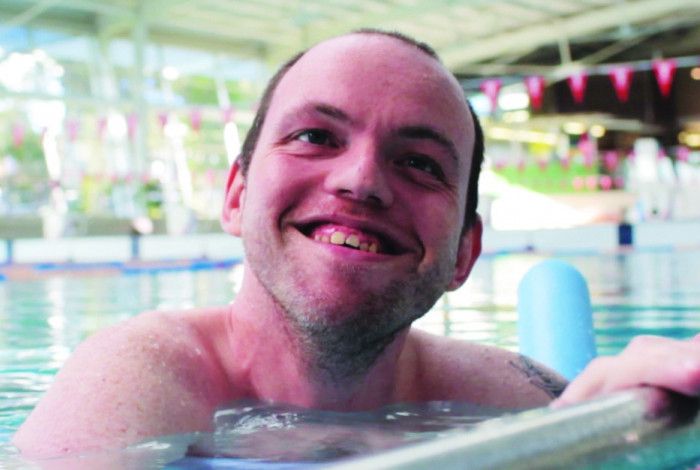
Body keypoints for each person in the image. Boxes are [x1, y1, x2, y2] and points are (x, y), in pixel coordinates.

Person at [13, 29, 700, 458]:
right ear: (235, 195)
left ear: (464, 251)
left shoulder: (510, 393)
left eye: (421, 163)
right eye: (316, 136)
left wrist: (634, 420)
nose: (362, 180)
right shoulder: (143, 377)